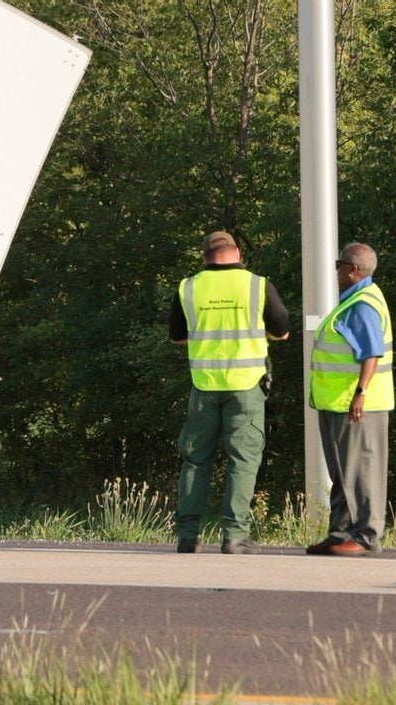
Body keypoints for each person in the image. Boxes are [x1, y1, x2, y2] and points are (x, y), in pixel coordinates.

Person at [170, 229, 292, 553]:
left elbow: (177, 337)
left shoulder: (189, 287)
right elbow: (282, 331)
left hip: (204, 386)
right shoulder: (257, 284)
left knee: (195, 460)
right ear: (237, 251)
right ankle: (235, 536)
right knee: (242, 460)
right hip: (246, 386)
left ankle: (187, 537)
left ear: (204, 256)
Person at [307, 241, 393, 556]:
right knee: (342, 471)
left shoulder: (363, 305)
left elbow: (372, 353)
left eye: (339, 265)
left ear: (353, 270)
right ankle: (340, 532)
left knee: (360, 471)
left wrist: (360, 393)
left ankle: (365, 537)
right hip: (336, 402)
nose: (336, 270)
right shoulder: (354, 300)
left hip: (354, 404)